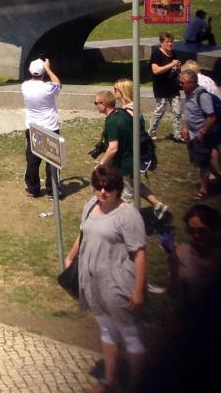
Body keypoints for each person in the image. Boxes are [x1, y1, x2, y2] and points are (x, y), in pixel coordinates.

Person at [64, 165, 148, 393]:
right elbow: (83, 234)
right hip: (93, 282)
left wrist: (138, 290)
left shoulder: (127, 215)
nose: (102, 191)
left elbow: (139, 253)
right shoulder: (90, 206)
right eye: (98, 187)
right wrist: (71, 256)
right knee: (107, 330)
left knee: (130, 335)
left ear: (117, 189)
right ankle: (111, 382)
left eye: (108, 188)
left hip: (118, 283)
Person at [95, 87, 167, 219]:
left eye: (96, 103)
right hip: (133, 158)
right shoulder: (123, 113)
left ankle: (131, 224)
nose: (95, 106)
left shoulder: (112, 121)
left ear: (103, 104)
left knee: (126, 197)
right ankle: (157, 204)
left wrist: (101, 164)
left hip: (123, 165)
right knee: (135, 184)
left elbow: (113, 148)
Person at [180, 60, 221, 181]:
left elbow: (206, 110)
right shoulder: (206, 79)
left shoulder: (197, 85)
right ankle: (220, 168)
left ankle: (215, 172)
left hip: (210, 117)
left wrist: (202, 130)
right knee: (213, 145)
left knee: (210, 146)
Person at [21, 57, 62, 198]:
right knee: (52, 160)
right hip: (50, 126)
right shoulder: (48, 88)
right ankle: (53, 190)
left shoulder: (25, 86)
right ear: (43, 72)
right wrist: (49, 69)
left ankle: (33, 188)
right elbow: (58, 84)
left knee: (32, 160)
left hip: (33, 127)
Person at [179, 68, 218, 200]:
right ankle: (218, 175)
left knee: (202, 163)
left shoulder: (203, 95)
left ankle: (204, 189)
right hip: (192, 134)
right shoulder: (189, 93)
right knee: (198, 160)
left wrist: (203, 132)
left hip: (201, 135)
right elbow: (189, 112)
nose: (181, 85)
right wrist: (185, 126)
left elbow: (211, 117)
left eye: (183, 83)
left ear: (192, 83)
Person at [148, 32, 183, 143]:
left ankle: (177, 135)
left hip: (173, 87)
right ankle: (151, 133)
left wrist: (177, 67)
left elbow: (176, 68)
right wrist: (171, 65)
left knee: (177, 111)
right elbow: (156, 70)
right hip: (161, 87)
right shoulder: (156, 54)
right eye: (167, 42)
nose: (170, 44)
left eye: (171, 42)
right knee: (160, 111)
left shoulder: (174, 53)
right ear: (161, 43)